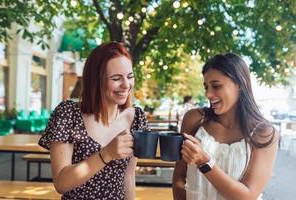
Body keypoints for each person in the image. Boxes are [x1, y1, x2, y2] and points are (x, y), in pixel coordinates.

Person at [38, 42, 148, 199]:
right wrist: (107, 153)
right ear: (96, 80)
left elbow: (129, 178)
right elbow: (61, 183)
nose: (126, 85)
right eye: (116, 78)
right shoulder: (69, 113)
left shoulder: (136, 118)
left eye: (129, 76)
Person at [172, 53, 279, 200]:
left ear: (240, 85)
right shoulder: (194, 119)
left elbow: (247, 196)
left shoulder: (265, 133)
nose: (208, 94)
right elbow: (179, 178)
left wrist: (205, 162)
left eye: (216, 86)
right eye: (206, 87)